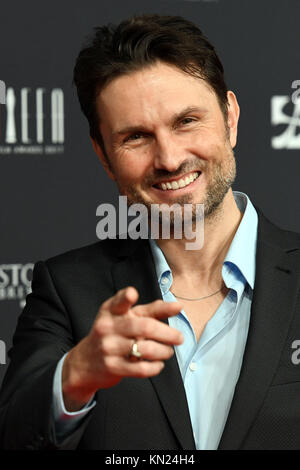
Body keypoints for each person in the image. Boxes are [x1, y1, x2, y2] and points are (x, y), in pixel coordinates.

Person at [1, 13, 300, 451]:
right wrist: (75, 376)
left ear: (230, 118)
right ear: (103, 156)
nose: (169, 158)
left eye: (186, 121)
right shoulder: (66, 290)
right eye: (136, 137)